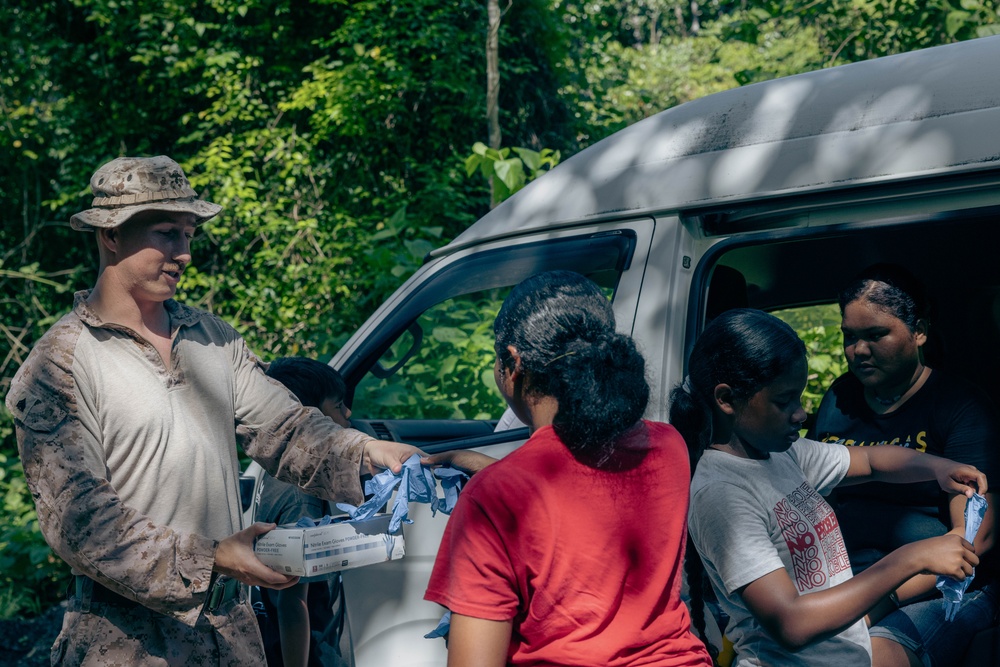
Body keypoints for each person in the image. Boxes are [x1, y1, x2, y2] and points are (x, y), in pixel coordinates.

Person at [3, 155, 420, 665]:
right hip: (126, 645)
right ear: (110, 234)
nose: (184, 254)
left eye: (190, 234)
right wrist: (215, 557)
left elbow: (287, 428)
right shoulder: (60, 364)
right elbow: (82, 522)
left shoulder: (213, 340)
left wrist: (369, 452)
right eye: (167, 233)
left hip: (232, 636)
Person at [423, 270, 713, 667]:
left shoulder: (494, 498)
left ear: (512, 363)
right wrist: (494, 471)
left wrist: (497, 480)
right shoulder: (668, 446)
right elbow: (582, 482)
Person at [672, 308, 986, 667]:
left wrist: (939, 468)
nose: (801, 414)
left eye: (801, 398)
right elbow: (792, 623)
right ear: (726, 399)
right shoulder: (722, 493)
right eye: (784, 401)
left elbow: (870, 461)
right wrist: (911, 558)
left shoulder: (783, 455)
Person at [810, 264, 1000, 666]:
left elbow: (970, 543)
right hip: (850, 578)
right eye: (849, 337)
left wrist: (875, 601)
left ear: (919, 332)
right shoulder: (841, 396)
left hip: (940, 586)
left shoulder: (960, 407)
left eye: (876, 335)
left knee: (873, 657)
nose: (858, 351)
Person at [256, 357, 355, 667]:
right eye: (338, 405)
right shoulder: (302, 498)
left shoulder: (276, 470)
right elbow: (292, 601)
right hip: (307, 650)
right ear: (310, 420)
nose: (348, 413)